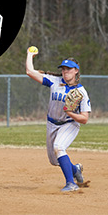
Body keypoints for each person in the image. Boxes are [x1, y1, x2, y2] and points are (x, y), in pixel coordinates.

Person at [25, 49, 91, 192]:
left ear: (76, 71)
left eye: (69, 69)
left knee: (59, 147)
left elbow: (84, 119)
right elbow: (30, 72)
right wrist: (30, 55)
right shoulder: (54, 81)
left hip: (69, 124)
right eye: (63, 69)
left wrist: (70, 113)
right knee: (54, 160)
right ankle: (75, 169)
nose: (65, 71)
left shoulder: (81, 92)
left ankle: (71, 184)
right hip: (51, 124)